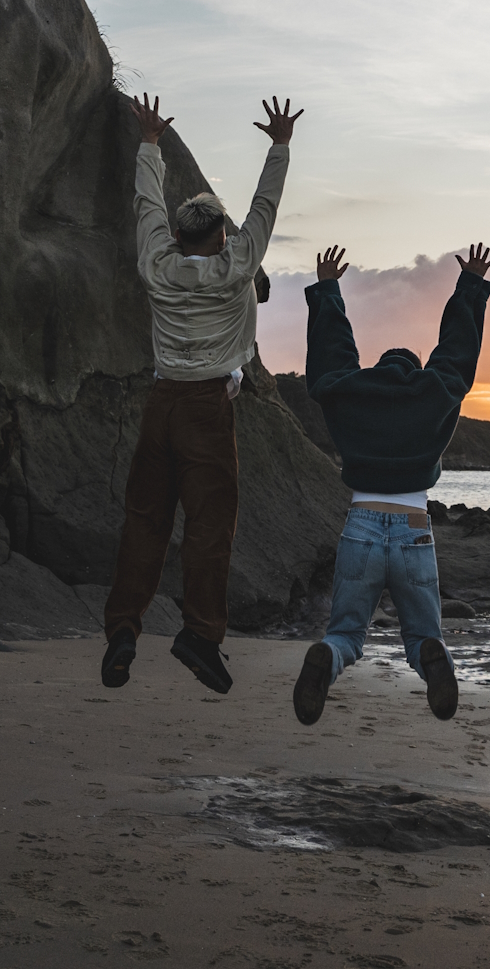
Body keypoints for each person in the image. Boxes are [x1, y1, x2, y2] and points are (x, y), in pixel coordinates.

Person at [100, 93, 299, 696]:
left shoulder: (157, 265)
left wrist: (150, 144)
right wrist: (280, 145)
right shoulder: (236, 265)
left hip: (160, 407)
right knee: (210, 527)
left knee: (144, 522)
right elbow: (265, 208)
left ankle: (123, 632)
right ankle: (200, 635)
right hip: (207, 410)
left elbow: (146, 207)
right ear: (217, 238)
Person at [293, 242, 490, 725]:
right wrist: (468, 284)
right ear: (413, 370)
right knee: (422, 634)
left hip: (361, 523)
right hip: (414, 527)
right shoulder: (433, 391)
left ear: (379, 368)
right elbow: (455, 357)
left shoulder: (351, 392)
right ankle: (434, 661)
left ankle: (328, 656)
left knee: (346, 633)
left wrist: (328, 291)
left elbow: (330, 360)